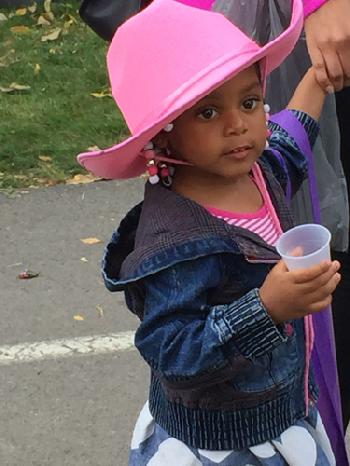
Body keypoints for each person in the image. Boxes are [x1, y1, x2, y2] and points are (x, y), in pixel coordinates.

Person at [77, 0, 349, 464]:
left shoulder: (257, 172)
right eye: (207, 113)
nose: (237, 124)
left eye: (249, 102)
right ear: (162, 134)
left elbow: (291, 139)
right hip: (225, 447)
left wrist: (317, 81)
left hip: (285, 417)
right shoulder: (175, 241)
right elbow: (174, 354)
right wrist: (267, 309)